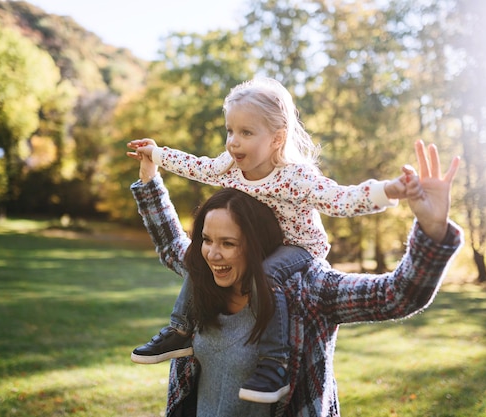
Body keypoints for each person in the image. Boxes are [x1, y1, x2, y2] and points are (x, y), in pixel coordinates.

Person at [126, 77, 415, 403]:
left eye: (246, 133)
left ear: (277, 138)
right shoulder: (229, 166)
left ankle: (275, 363)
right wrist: (156, 155)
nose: (233, 142)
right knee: (199, 256)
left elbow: (339, 199)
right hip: (262, 246)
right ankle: (179, 331)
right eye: (230, 130)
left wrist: (387, 191)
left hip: (299, 248)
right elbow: (197, 166)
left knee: (269, 273)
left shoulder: (295, 177)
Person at [129, 139, 463, 416]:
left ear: (257, 244)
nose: (212, 254)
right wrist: (149, 180)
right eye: (206, 240)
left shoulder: (306, 290)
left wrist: (432, 232)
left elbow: (396, 295)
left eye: (228, 243)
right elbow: (172, 243)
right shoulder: (202, 281)